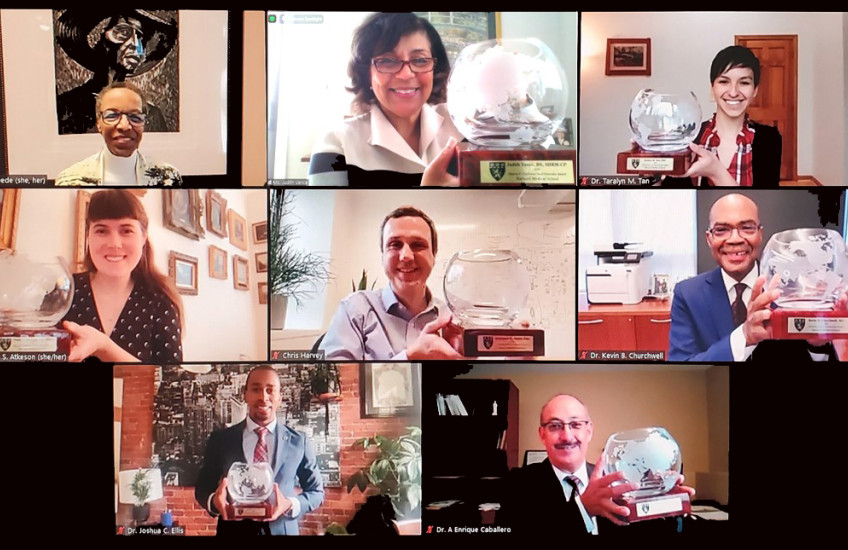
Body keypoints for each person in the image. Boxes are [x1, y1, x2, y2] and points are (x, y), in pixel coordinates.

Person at [668, 193, 839, 361]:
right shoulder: (688, 294)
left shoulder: (794, 289)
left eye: (747, 228)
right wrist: (745, 336)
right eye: (721, 230)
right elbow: (682, 364)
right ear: (709, 238)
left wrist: (818, 345)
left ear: (760, 233)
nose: (735, 239)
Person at [500, 394, 694, 535]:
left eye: (575, 425)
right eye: (555, 426)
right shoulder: (516, 483)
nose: (567, 436)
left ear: (589, 431)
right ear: (542, 434)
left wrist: (664, 509)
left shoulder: (614, 481)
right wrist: (582, 509)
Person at [308, 12, 463, 187]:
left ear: (434, 69)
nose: (406, 74)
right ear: (366, 73)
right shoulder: (336, 144)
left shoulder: (464, 126)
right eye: (388, 61)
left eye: (420, 60)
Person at [194, 366, 324, 536]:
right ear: (245, 394)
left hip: (283, 531)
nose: (263, 397)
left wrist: (289, 504)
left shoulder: (299, 442)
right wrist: (214, 502)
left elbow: (316, 492)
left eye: (270, 390)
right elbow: (203, 488)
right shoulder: (221, 440)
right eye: (256, 389)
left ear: (279, 397)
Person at [319, 206, 462, 360]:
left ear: (434, 255)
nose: (406, 256)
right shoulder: (354, 309)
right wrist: (409, 357)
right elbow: (330, 379)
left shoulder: (452, 318)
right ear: (383, 256)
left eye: (417, 245)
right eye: (395, 244)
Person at [61, 189, 183, 362]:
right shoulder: (64, 289)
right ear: (88, 235)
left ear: (143, 237)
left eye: (126, 231)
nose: (114, 244)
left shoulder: (160, 300)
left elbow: (167, 380)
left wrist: (104, 347)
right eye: (102, 231)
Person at [663, 45, 781, 187]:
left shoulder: (770, 139)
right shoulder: (688, 138)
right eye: (724, 82)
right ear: (712, 88)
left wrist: (716, 172)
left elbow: (763, 205)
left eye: (744, 83)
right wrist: (651, 177)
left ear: (755, 90)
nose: (733, 92)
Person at [55, 9, 175, 135]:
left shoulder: (150, 115)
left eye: (140, 38)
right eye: (123, 32)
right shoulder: (67, 107)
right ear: (97, 38)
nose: (135, 45)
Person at [56, 82, 182, 186]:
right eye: (112, 116)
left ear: (144, 123)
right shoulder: (71, 181)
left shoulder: (167, 178)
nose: (124, 126)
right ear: (99, 123)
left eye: (135, 117)